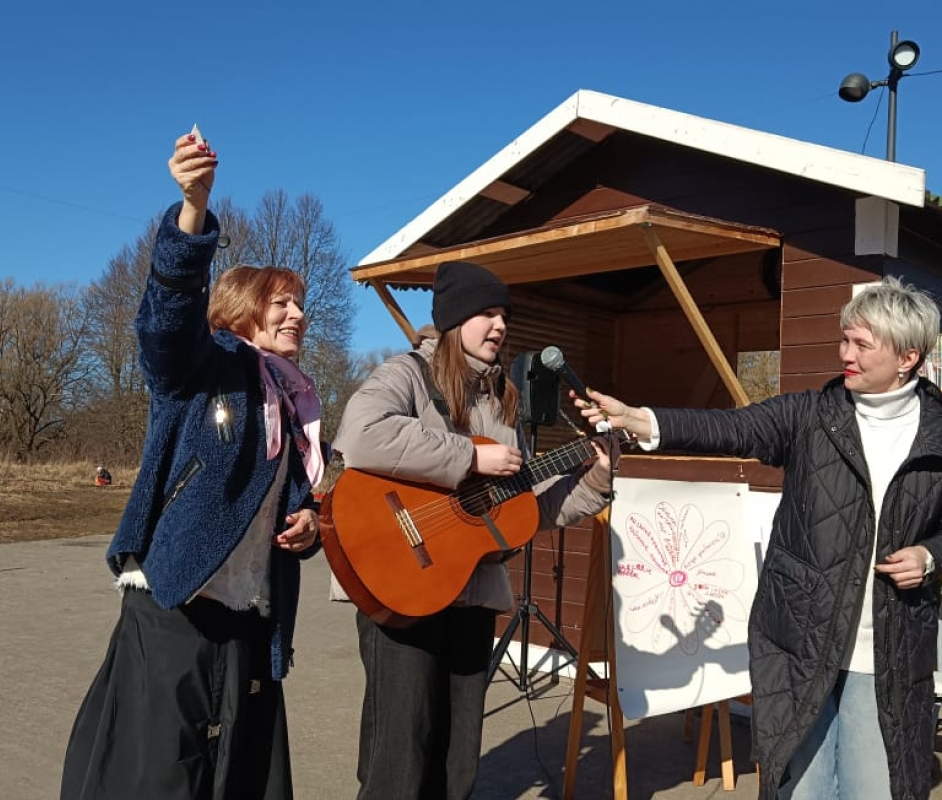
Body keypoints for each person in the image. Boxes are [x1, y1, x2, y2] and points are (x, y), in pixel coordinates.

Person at [577, 276, 942, 800]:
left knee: (872, 790)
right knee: (802, 791)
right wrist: (643, 421)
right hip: (801, 644)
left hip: (884, 652)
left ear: (907, 358)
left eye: (862, 344)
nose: (846, 353)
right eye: (845, 339)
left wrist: (931, 555)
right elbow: (732, 430)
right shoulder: (811, 417)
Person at [61, 130, 324, 800]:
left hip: (247, 614)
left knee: (236, 773)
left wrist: (306, 524)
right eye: (282, 302)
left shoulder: (291, 401)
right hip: (174, 602)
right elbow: (165, 323)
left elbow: (289, 500)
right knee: (160, 775)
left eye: (300, 303)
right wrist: (193, 214)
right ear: (242, 311)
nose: (298, 313)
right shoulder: (203, 367)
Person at [332, 260, 615, 800]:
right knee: (401, 753)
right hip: (401, 582)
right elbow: (361, 435)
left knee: (458, 757)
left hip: (472, 593)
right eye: (487, 312)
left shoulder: (502, 399)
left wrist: (596, 475)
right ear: (455, 318)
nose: (500, 324)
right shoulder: (407, 374)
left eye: (504, 314)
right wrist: (468, 458)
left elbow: (529, 509)